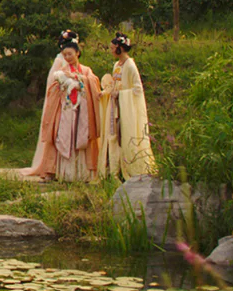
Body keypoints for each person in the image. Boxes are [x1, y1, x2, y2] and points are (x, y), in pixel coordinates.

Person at [22, 30, 101, 182]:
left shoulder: (86, 70)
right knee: (64, 137)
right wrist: (64, 84)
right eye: (65, 55)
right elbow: (53, 88)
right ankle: (63, 172)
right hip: (67, 110)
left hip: (82, 110)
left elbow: (93, 83)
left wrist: (80, 79)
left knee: (83, 136)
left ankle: (84, 172)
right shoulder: (61, 71)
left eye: (70, 54)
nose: (68, 58)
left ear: (77, 53)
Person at [100, 33, 156, 180]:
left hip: (125, 107)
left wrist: (122, 95)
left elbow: (138, 89)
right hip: (115, 106)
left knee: (124, 135)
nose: (111, 50)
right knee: (114, 136)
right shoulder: (116, 65)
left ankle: (130, 167)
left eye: (112, 48)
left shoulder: (130, 65)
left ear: (120, 48)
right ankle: (114, 170)